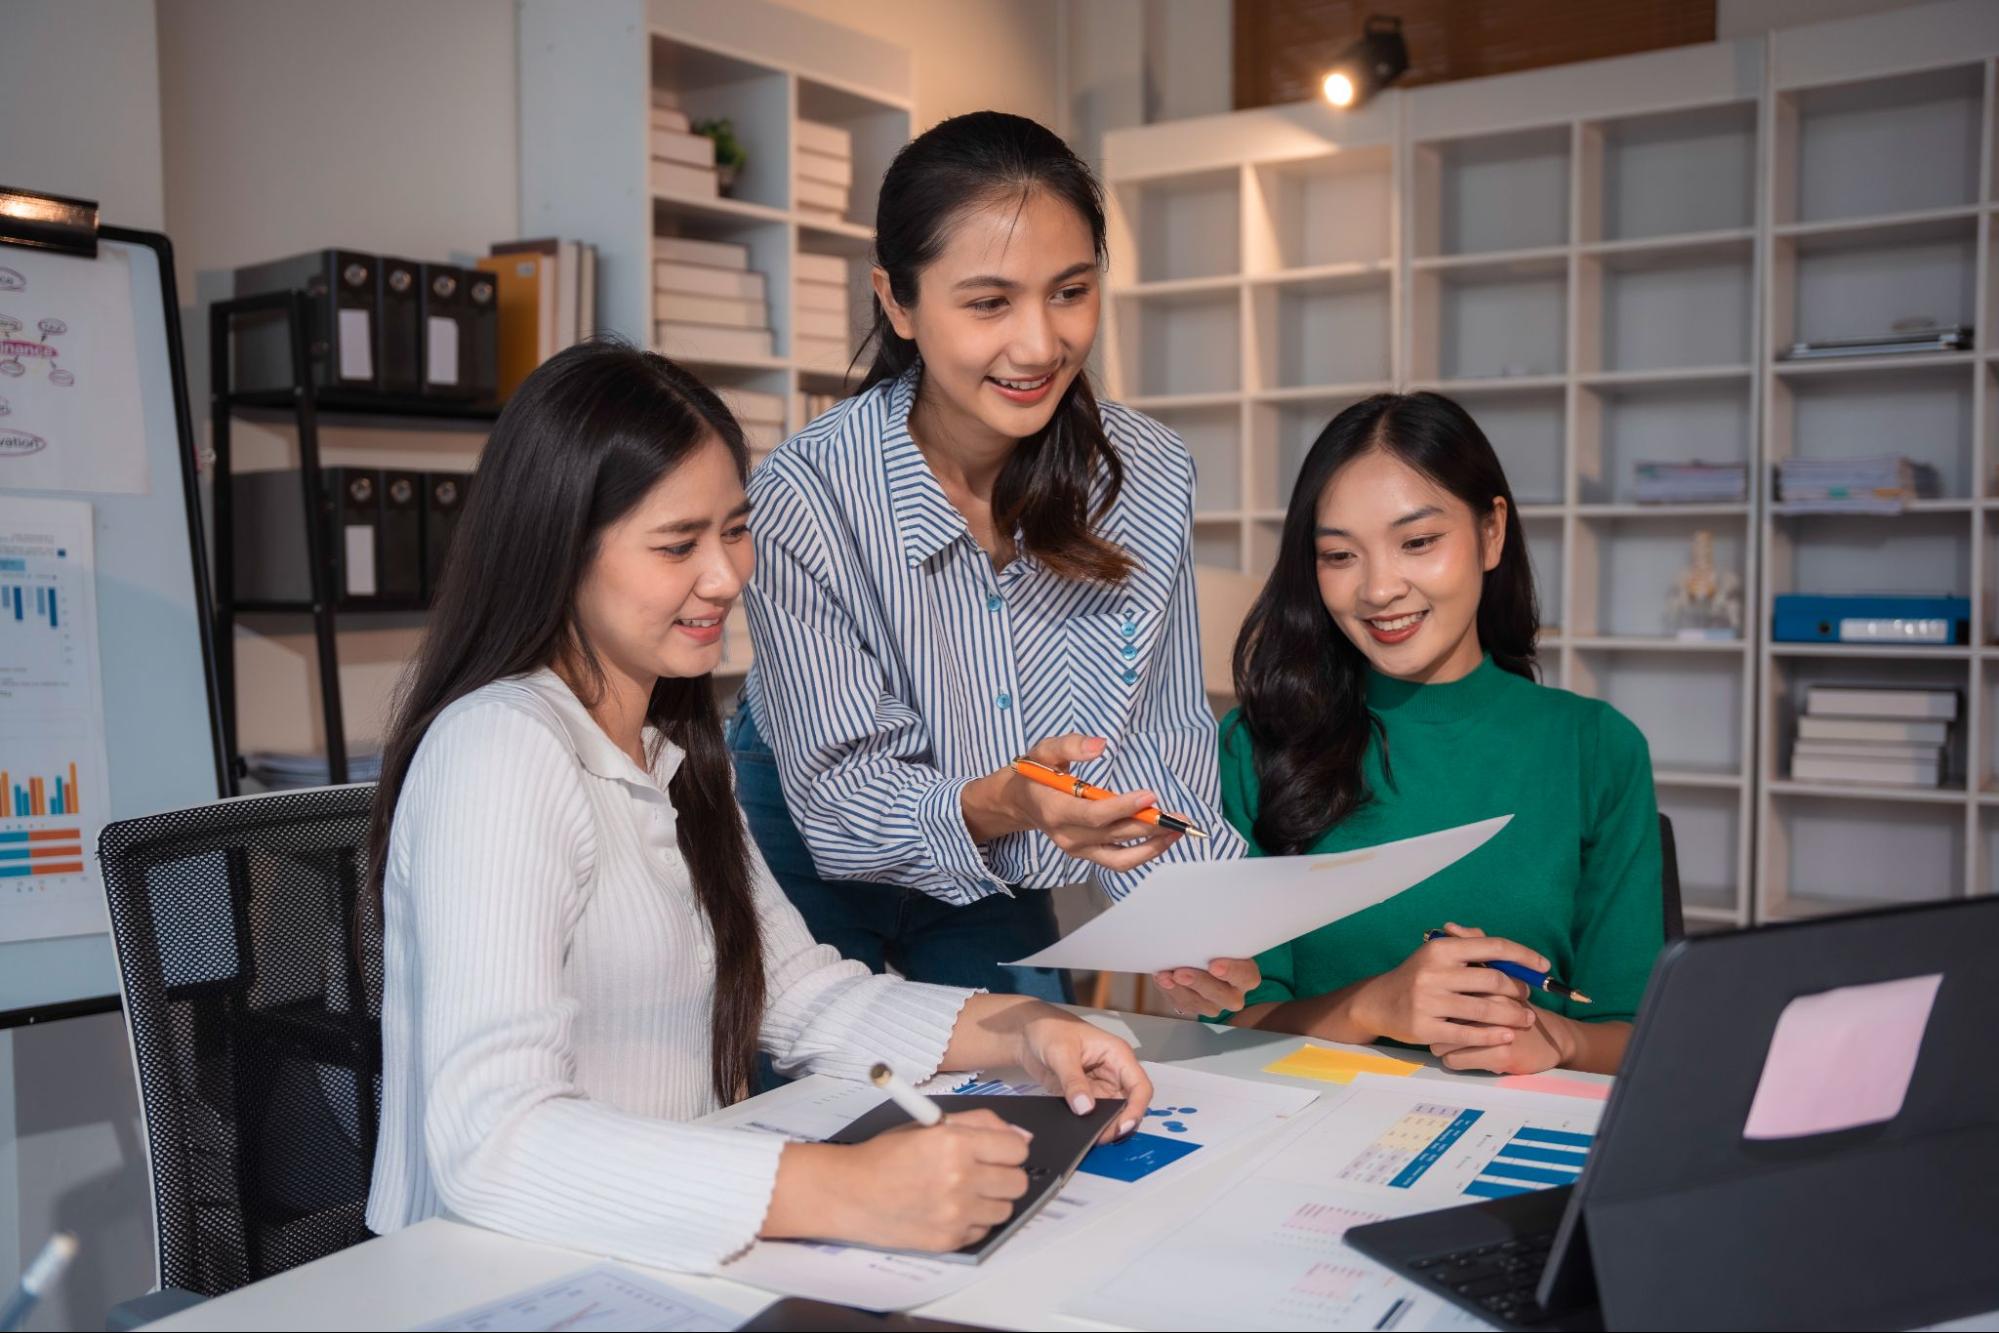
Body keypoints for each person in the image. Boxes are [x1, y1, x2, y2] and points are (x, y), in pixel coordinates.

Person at [363, 342, 1153, 1272]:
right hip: (489, 1278)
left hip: (644, 1255)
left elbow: (802, 996)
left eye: (734, 529)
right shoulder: (497, 749)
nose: (726, 576)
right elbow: (491, 1140)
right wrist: (849, 1189)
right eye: (676, 544)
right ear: (560, 547)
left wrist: (1028, 1032)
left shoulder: (668, 751)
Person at [729, 111, 1254, 1014]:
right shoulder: (803, 493)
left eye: (1069, 291)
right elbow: (842, 802)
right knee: (818, 1112)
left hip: (1003, 853)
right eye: (987, 302)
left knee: (1028, 1103)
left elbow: (1159, 742)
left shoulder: (1148, 474)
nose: (1039, 345)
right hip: (815, 836)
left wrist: (1191, 914)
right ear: (897, 301)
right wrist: (1007, 798)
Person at [1218, 392, 1663, 1075]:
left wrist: (1558, 1036)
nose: (1378, 589)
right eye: (1339, 556)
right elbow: (1229, 1026)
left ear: (1491, 533)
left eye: (1417, 542)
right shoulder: (1254, 746)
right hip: (1305, 1137)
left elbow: (1634, 1028)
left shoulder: (1596, 748)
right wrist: (1369, 1007)